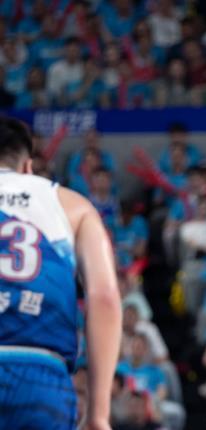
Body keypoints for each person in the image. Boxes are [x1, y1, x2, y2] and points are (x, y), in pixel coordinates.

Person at [0, 116, 122, 429]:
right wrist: (98, 413)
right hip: (39, 373)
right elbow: (104, 298)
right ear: (27, 166)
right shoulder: (72, 205)